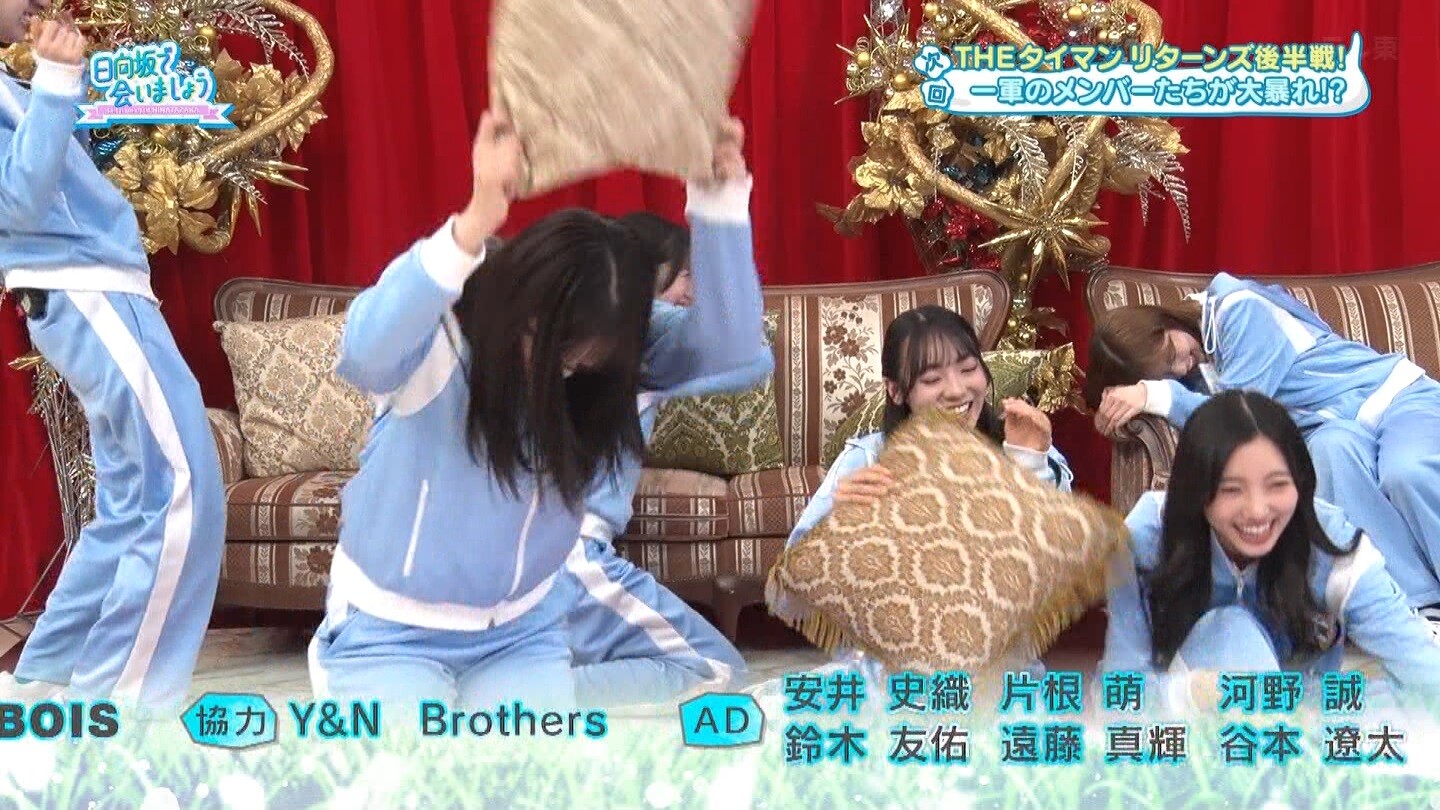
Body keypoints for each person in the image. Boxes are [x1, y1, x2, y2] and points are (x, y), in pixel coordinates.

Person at [307, 112, 768, 711]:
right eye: (543, 342)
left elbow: (735, 348)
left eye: (581, 360)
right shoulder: (442, 333)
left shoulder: (617, 357)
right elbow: (365, 350)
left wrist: (718, 202)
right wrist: (474, 222)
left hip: (522, 633)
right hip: (388, 630)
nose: (557, 369)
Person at [0, 3, 226, 711]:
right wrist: (56, 81)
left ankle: (43, 690)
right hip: (86, 289)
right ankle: (117, 713)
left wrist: (61, 84)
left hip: (90, 291)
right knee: (181, 488)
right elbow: (17, 202)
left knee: (133, 505)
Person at [1087, 272, 1440, 620]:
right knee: (1331, 452)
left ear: (1165, 321)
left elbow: (1240, 416)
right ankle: (1418, 607)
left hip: (1396, 399)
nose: (1182, 367)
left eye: (1170, 353)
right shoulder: (1193, 377)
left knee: (1405, 471)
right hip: (1338, 429)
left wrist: (1157, 393)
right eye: (1165, 374)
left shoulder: (1238, 309)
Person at [773, 305, 1072, 679]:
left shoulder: (1026, 447)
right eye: (932, 379)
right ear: (897, 390)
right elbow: (790, 600)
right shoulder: (867, 462)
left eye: (968, 369)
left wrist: (1030, 465)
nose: (957, 390)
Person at [1100, 391, 1440, 714]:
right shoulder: (1145, 538)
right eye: (1231, 490)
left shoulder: (1330, 541)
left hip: (1302, 720)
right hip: (1193, 725)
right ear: (1196, 490)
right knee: (1232, 632)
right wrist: (1191, 693)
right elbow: (1120, 694)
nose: (1258, 511)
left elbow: (1417, 661)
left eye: (1277, 485)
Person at [565, 203, 770, 708]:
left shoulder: (577, 334)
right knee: (721, 670)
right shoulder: (634, 341)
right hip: (571, 558)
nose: (693, 291)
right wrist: (641, 305)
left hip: (532, 563)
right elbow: (750, 355)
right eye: (684, 275)